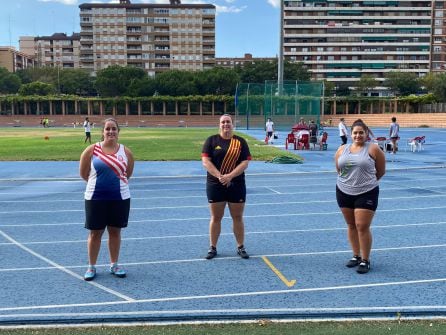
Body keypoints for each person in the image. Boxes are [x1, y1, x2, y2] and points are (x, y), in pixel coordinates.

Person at [79, 118, 135, 281]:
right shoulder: (92, 150)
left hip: (120, 198)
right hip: (95, 198)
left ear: (118, 131)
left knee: (115, 232)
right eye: (107, 129)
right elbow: (84, 174)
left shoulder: (126, 152)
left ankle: (114, 264)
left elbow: (128, 174)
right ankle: (91, 266)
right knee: (95, 233)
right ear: (103, 132)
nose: (111, 132)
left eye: (114, 129)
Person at [335, 119, 385, 274]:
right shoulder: (342, 149)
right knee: (351, 225)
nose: (358, 135)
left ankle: (365, 259)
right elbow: (339, 169)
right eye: (355, 133)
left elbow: (381, 171)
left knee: (362, 226)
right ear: (351, 134)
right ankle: (356, 255)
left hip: (366, 192)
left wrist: (365, 183)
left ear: (366, 133)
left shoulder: (374, 149)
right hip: (343, 191)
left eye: (361, 132)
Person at [202, 114, 251, 260]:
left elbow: (244, 163)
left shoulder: (240, 142)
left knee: (237, 217)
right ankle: (213, 247)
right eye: (223, 122)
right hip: (215, 184)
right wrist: (220, 176)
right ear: (219, 124)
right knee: (216, 217)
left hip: (236, 184)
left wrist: (229, 176)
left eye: (228, 122)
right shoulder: (211, 140)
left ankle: (240, 246)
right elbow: (206, 162)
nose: (225, 124)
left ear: (232, 124)